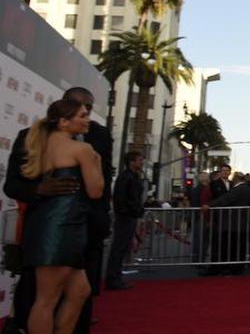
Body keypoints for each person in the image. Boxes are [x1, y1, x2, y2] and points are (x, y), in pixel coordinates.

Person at [3, 87, 111, 334]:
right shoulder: (31, 137)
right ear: (63, 114)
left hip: (82, 226)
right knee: (44, 297)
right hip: (54, 227)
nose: (87, 116)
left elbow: (101, 192)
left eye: (88, 109)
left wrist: (101, 223)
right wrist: (39, 189)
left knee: (80, 291)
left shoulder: (98, 136)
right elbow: (13, 185)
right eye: (81, 111)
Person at [105, 151, 145, 290]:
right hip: (125, 217)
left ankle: (115, 276)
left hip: (129, 216)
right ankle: (113, 278)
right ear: (131, 162)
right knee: (119, 247)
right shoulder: (126, 177)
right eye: (139, 160)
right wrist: (131, 211)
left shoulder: (133, 177)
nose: (142, 162)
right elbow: (121, 199)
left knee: (122, 247)